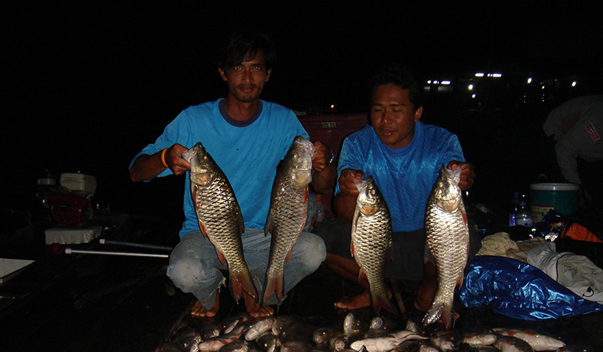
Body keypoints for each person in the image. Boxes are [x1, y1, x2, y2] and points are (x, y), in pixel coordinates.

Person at [130, 31, 334, 319]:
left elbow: (322, 185)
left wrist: (327, 162)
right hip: (208, 233)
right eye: (238, 67)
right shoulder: (193, 120)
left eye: (256, 67)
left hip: (263, 233)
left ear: (268, 74)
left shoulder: (283, 120)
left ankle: (255, 286)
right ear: (223, 73)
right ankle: (217, 287)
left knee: (314, 250)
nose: (247, 77)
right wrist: (164, 158)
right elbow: (136, 172)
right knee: (182, 271)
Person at [313, 64, 478, 316]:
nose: (385, 120)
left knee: (470, 237)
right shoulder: (357, 143)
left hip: (427, 244)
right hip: (375, 246)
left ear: (417, 113)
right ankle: (375, 289)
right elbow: (345, 215)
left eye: (396, 110)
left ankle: (432, 283)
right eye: (378, 110)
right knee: (319, 240)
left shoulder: (442, 141)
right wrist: (348, 192)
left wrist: (463, 176)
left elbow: (456, 196)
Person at [542, 95, 603, 207]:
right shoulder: (597, 121)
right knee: (569, 195)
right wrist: (576, 185)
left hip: (583, 149)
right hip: (556, 136)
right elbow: (563, 150)